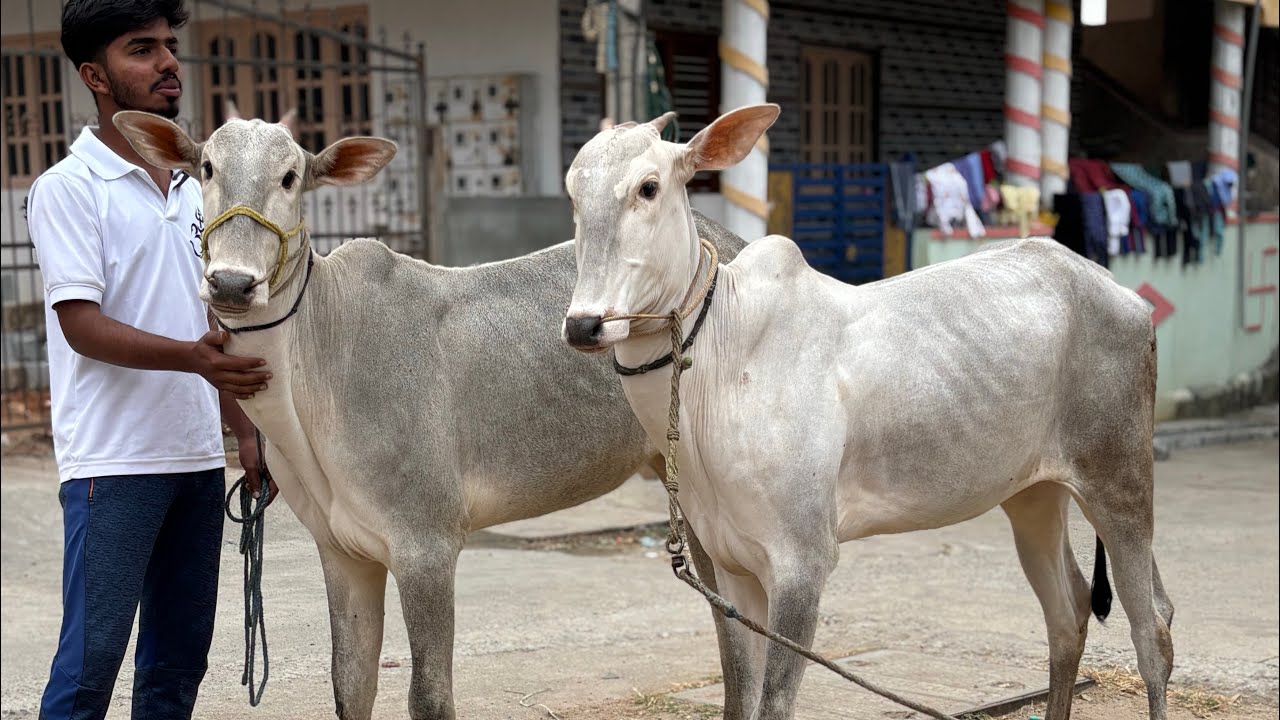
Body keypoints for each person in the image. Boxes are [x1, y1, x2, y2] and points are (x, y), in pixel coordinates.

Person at [27, 0, 274, 717]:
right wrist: (196, 361)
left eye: (169, 45)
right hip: (112, 464)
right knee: (91, 663)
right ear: (94, 75)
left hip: (195, 460)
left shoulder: (198, 188)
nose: (168, 62)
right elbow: (83, 327)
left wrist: (246, 433)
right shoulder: (68, 189)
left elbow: (211, 325)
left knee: (176, 663)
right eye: (142, 49)